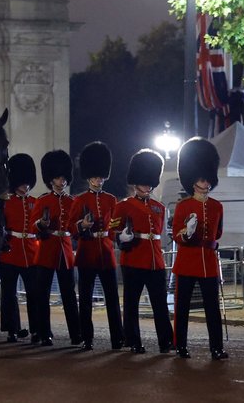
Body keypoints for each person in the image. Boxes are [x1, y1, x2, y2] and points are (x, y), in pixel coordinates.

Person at [110, 150, 173, 355]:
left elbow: (161, 236)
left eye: (149, 183)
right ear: (135, 183)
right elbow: (113, 231)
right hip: (134, 259)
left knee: (160, 305)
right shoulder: (123, 206)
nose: (147, 186)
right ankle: (133, 340)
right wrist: (122, 238)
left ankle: (166, 341)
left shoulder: (160, 208)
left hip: (155, 261)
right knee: (131, 304)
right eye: (144, 182)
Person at [171, 137, 227, 361]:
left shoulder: (217, 207)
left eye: (207, 179)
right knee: (182, 308)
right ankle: (181, 346)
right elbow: (176, 234)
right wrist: (187, 232)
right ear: (193, 180)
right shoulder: (183, 206)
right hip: (187, 260)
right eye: (202, 179)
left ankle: (216, 347)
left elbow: (218, 234)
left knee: (212, 309)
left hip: (209, 263)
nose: (205, 183)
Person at [68, 141, 124, 351]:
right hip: (87, 251)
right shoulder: (80, 199)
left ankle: (117, 337)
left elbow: (115, 225)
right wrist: (82, 225)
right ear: (88, 177)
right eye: (95, 177)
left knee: (112, 299)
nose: (98, 180)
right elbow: (71, 228)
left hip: (107, 252)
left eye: (100, 177)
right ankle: (87, 337)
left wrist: (119, 232)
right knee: (86, 299)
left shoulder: (111, 199)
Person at [29, 150, 81, 347]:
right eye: (58, 178)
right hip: (47, 250)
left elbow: (74, 228)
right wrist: (42, 224)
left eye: (64, 177)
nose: (62, 181)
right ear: (51, 180)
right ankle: (45, 333)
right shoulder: (43, 201)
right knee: (42, 295)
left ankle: (75, 334)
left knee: (69, 295)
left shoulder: (72, 201)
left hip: (65, 252)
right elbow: (33, 227)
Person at [0, 153, 39, 343]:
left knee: (34, 294)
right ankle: (12, 329)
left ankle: (36, 329)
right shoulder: (5, 202)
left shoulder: (35, 202)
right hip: (10, 252)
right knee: (9, 294)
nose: (25, 185)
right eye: (22, 181)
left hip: (31, 252)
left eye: (27, 182)